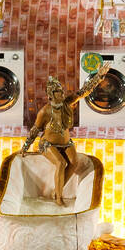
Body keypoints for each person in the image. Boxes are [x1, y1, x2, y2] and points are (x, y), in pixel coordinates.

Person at [20, 66, 111, 204]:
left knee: (74, 163)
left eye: (62, 90)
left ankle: (56, 190)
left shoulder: (67, 103)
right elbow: (35, 129)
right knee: (61, 163)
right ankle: (58, 198)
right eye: (58, 91)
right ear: (50, 94)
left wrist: (98, 76)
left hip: (66, 142)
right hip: (47, 144)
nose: (62, 93)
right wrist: (25, 146)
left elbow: (83, 91)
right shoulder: (45, 111)